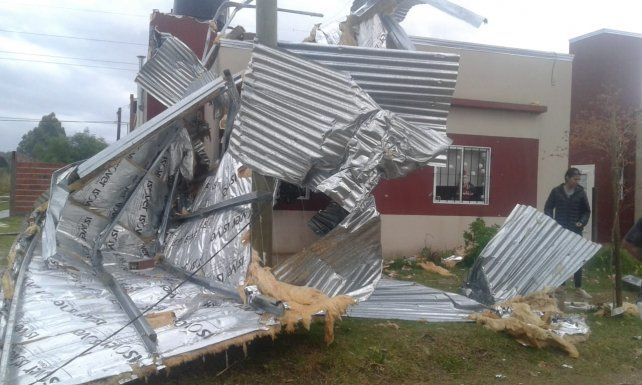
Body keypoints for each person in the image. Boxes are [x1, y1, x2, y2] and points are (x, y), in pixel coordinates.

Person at [545, 167, 592, 299]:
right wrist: (552, 222)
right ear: (567, 178)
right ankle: (561, 285)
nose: (577, 181)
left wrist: (581, 222)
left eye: (578, 179)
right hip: (560, 230)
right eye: (575, 179)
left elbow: (586, 211)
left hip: (576, 230)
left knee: (577, 258)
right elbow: (548, 207)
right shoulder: (556, 192)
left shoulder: (581, 192)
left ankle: (578, 287)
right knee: (560, 257)